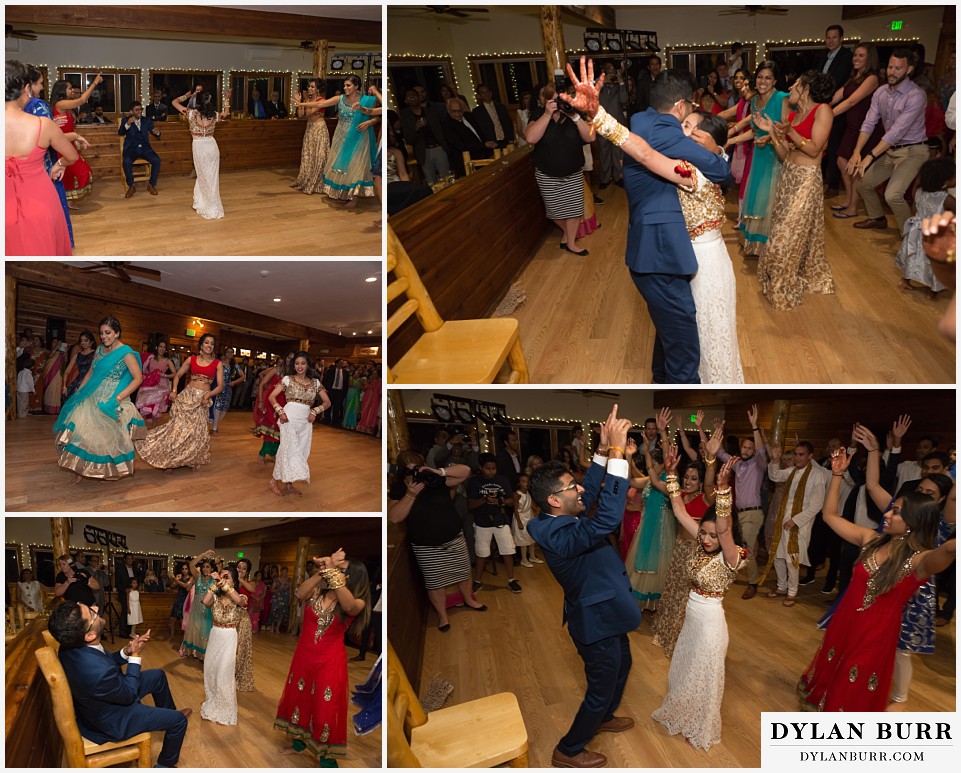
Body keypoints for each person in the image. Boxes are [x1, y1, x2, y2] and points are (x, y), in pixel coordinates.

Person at [561, 58, 730, 383]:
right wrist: (717, 152)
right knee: (685, 350)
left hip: (671, 254)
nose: (687, 132)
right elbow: (649, 155)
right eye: (688, 120)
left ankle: (664, 382)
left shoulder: (645, 120)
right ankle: (682, 399)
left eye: (695, 129)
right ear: (680, 105)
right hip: (665, 258)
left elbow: (648, 152)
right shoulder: (678, 150)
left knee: (675, 336)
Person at [798, 448, 956, 711]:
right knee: (835, 665)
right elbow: (829, 516)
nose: (887, 515)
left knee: (854, 677)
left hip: (876, 633)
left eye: (895, 512)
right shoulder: (870, 540)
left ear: (912, 522)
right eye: (891, 509)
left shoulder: (919, 561)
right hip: (847, 620)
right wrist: (837, 474)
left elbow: (949, 550)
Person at [527, 405, 639, 768]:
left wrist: (603, 451)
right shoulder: (553, 532)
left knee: (624, 665)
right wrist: (619, 455)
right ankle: (569, 749)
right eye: (570, 485)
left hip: (607, 609)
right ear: (555, 501)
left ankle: (604, 718)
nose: (580, 486)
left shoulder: (560, 514)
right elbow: (606, 516)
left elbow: (589, 492)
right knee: (601, 686)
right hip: (595, 619)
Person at [653, 450, 744, 750]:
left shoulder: (730, 556)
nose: (705, 540)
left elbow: (723, 528)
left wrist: (722, 489)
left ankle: (700, 724)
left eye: (711, 536)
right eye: (702, 534)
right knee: (684, 667)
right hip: (691, 620)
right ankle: (681, 710)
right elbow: (679, 512)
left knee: (704, 677)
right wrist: (670, 475)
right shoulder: (703, 542)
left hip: (710, 625)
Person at [47, 601, 191, 768]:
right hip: (113, 720)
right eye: (92, 613)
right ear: (89, 636)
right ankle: (164, 765)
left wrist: (127, 652)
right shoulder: (97, 672)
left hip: (103, 700)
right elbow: (129, 693)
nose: (96, 608)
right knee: (179, 721)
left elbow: (104, 663)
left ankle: (167, 715)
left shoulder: (70, 646)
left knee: (157, 676)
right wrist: (135, 656)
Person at [274, 550, 370, 762]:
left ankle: (327, 759)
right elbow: (300, 593)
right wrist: (321, 571)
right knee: (300, 698)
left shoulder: (357, 601)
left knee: (324, 707)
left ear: (352, 576)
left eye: (341, 570)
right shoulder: (318, 592)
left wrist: (332, 572)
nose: (335, 572)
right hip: (303, 657)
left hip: (330, 661)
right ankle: (299, 743)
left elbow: (349, 607)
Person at [755, 70, 837, 310]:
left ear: (807, 88)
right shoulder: (792, 115)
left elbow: (813, 149)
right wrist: (772, 132)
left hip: (805, 181)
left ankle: (784, 285)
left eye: (796, 84)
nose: (790, 87)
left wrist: (788, 131)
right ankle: (781, 278)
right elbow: (785, 155)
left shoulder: (823, 110)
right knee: (782, 229)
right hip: (788, 176)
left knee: (785, 236)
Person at [387, 451, 487, 631]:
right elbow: (394, 517)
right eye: (410, 470)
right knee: (435, 582)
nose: (415, 473)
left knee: (464, 573)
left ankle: (469, 600)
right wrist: (410, 494)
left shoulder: (434, 480)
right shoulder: (399, 489)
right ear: (402, 471)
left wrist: (438, 471)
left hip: (454, 537)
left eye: (417, 468)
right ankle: (443, 616)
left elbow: (465, 471)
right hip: (426, 546)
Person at [53, 316, 145, 482]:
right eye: (101, 333)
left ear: (117, 333)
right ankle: (79, 470)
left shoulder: (126, 353)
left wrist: (118, 398)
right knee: (81, 431)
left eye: (107, 332)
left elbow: (138, 378)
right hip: (93, 395)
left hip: (112, 398)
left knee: (104, 437)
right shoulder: (100, 350)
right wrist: (79, 392)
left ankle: (104, 470)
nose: (104, 336)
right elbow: (91, 372)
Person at [849, 49, 928, 232]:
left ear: (909, 70)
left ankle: (910, 236)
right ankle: (877, 218)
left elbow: (896, 132)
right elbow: (869, 123)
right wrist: (856, 151)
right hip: (891, 150)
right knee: (863, 185)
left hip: (914, 151)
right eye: (890, 67)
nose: (892, 72)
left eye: (898, 68)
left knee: (892, 195)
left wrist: (869, 155)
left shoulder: (916, 95)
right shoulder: (881, 92)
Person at [6, 60, 79, 255]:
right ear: (26, 88)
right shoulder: (43, 124)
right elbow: (72, 156)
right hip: (40, 201)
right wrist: (60, 164)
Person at [136, 333, 224, 473]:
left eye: (212, 343)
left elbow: (220, 386)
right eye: (206, 342)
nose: (209, 345)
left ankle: (192, 459)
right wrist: (174, 390)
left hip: (202, 400)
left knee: (196, 431)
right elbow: (177, 375)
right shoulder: (192, 359)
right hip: (187, 397)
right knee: (178, 429)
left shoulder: (217, 363)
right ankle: (171, 460)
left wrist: (208, 395)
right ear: (201, 345)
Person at [526, 81, 596, 256]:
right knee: (554, 211)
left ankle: (571, 243)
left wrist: (574, 116)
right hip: (547, 173)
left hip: (573, 172)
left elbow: (591, 137)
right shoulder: (538, 115)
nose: (557, 102)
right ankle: (568, 234)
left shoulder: (575, 115)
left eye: (560, 98)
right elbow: (531, 138)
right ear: (544, 100)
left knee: (574, 210)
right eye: (552, 99)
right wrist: (548, 114)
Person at [760, 441, 831, 606]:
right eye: (796, 454)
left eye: (801, 454)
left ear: (810, 456)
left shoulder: (816, 475)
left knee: (792, 558)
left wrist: (795, 520)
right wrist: (776, 459)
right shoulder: (792, 472)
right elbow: (774, 476)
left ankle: (792, 592)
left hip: (800, 524)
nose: (797, 458)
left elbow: (816, 505)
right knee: (777, 555)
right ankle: (781, 586)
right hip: (782, 521)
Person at [21, 64, 75, 249]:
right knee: (52, 215)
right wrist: (71, 137)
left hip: (20, 173)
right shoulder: (38, 105)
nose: (43, 87)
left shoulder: (13, 110)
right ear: (29, 86)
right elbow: (50, 142)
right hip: (44, 169)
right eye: (40, 83)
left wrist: (51, 123)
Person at [267, 351, 331, 497]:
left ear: (308, 365)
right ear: (293, 365)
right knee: (286, 450)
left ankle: (289, 483)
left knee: (300, 452)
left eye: (303, 363)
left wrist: (315, 411)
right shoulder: (287, 379)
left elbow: (327, 402)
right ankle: (273, 481)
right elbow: (272, 397)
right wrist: (280, 411)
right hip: (288, 419)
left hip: (305, 422)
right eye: (297, 363)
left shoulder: (315, 383)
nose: (300, 366)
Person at [829, 44, 881, 219]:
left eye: (860, 56)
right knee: (842, 162)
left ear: (869, 58)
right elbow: (838, 95)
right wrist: (818, 107)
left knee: (854, 166)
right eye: (855, 55)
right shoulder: (854, 77)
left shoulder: (872, 78)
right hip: (852, 127)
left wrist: (828, 115)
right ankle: (849, 199)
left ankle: (852, 207)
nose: (856, 58)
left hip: (864, 128)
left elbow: (851, 101)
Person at [895, 158, 954, 298]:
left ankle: (905, 280)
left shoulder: (919, 192)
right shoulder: (947, 198)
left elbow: (914, 208)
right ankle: (933, 290)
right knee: (934, 263)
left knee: (914, 257)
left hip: (917, 231)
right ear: (945, 182)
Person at [170, 88, 231, 219]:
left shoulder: (190, 114)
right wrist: (227, 99)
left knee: (203, 175)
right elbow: (226, 113)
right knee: (211, 177)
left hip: (199, 147)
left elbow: (174, 102)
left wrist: (185, 96)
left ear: (197, 102)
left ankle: (209, 205)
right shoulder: (214, 115)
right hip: (212, 146)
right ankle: (203, 202)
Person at [318, 75, 377, 205]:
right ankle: (344, 193)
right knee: (342, 166)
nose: (345, 88)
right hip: (341, 136)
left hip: (359, 136)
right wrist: (303, 103)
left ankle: (354, 198)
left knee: (356, 165)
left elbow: (380, 114)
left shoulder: (366, 100)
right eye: (344, 85)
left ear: (356, 86)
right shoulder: (340, 99)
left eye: (348, 85)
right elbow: (320, 104)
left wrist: (370, 122)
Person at [200, 564, 247, 725]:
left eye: (227, 576)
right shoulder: (216, 597)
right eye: (221, 575)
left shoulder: (240, 596)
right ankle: (213, 702)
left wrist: (224, 583)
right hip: (215, 635)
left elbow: (240, 602)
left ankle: (226, 708)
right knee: (211, 670)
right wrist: (213, 586)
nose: (222, 579)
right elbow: (205, 602)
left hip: (229, 637)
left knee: (224, 672)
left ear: (233, 581)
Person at [50, 77, 99, 206]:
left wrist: (76, 139)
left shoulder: (67, 107)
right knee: (81, 172)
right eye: (70, 88)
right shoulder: (60, 104)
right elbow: (82, 100)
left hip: (69, 141)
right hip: (62, 143)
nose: (72, 90)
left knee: (69, 174)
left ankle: (68, 200)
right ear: (62, 90)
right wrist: (95, 82)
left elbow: (68, 125)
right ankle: (65, 200)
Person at [289, 79, 331, 194]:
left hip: (319, 128)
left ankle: (318, 182)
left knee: (319, 155)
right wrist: (299, 102)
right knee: (309, 155)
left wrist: (304, 101)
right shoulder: (308, 100)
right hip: (310, 129)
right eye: (309, 87)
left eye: (312, 87)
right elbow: (301, 115)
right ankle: (306, 178)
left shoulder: (321, 100)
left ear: (318, 89)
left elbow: (309, 113)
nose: (309, 89)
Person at [119, 100, 162, 198]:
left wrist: (157, 132)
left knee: (156, 160)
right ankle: (131, 185)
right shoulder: (125, 120)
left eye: (141, 109)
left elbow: (153, 129)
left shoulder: (146, 120)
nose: (139, 111)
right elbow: (120, 132)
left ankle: (151, 185)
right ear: (131, 111)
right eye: (137, 109)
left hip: (145, 148)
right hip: (131, 149)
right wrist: (128, 124)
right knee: (126, 161)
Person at [182, 550, 217, 660]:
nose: (205, 569)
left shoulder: (215, 580)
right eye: (204, 567)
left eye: (208, 567)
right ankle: (195, 652)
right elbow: (191, 564)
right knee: (196, 628)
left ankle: (205, 654)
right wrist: (203, 555)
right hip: (197, 607)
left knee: (206, 631)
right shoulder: (198, 577)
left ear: (212, 569)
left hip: (208, 608)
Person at [136, 339, 177, 427]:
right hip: (149, 385)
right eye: (160, 346)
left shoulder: (168, 361)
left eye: (164, 347)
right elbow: (143, 369)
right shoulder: (150, 358)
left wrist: (164, 375)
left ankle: (154, 429)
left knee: (156, 407)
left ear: (166, 349)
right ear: (156, 347)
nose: (162, 349)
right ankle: (144, 428)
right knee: (146, 405)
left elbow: (175, 374)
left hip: (160, 386)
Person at [211, 346, 245, 433]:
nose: (230, 354)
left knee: (224, 408)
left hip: (228, 389)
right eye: (228, 352)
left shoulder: (235, 365)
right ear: (225, 353)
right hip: (219, 387)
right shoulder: (220, 363)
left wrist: (234, 382)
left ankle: (215, 426)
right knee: (217, 406)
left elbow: (243, 376)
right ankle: (214, 428)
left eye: (231, 352)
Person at [472, 82, 515, 148]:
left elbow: (508, 124)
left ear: (491, 93)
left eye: (487, 91)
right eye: (483, 92)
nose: (486, 94)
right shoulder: (477, 112)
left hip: (506, 141)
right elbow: (479, 129)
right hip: (491, 144)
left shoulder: (501, 107)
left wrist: (511, 139)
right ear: (479, 96)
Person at [62, 330, 96, 400]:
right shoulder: (78, 355)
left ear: (91, 342)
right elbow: (67, 371)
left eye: (85, 340)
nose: (83, 342)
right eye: (81, 340)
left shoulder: (96, 354)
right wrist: (64, 386)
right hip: (76, 383)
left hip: (89, 383)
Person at [169, 562, 194, 642]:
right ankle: (171, 636)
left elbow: (186, 586)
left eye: (186, 569)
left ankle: (185, 640)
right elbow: (172, 586)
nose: (184, 570)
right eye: (183, 569)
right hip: (178, 599)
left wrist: (176, 580)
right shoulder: (180, 577)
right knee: (172, 619)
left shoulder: (191, 578)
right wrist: (175, 579)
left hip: (186, 600)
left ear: (189, 570)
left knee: (183, 621)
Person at [267, 567, 291, 632]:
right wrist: (278, 589)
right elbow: (272, 590)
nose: (284, 573)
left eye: (286, 572)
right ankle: (272, 626)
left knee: (282, 613)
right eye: (283, 572)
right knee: (274, 611)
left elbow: (290, 590)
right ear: (281, 572)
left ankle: (277, 627)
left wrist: (289, 600)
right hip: (277, 597)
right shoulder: (276, 580)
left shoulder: (289, 580)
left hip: (285, 598)